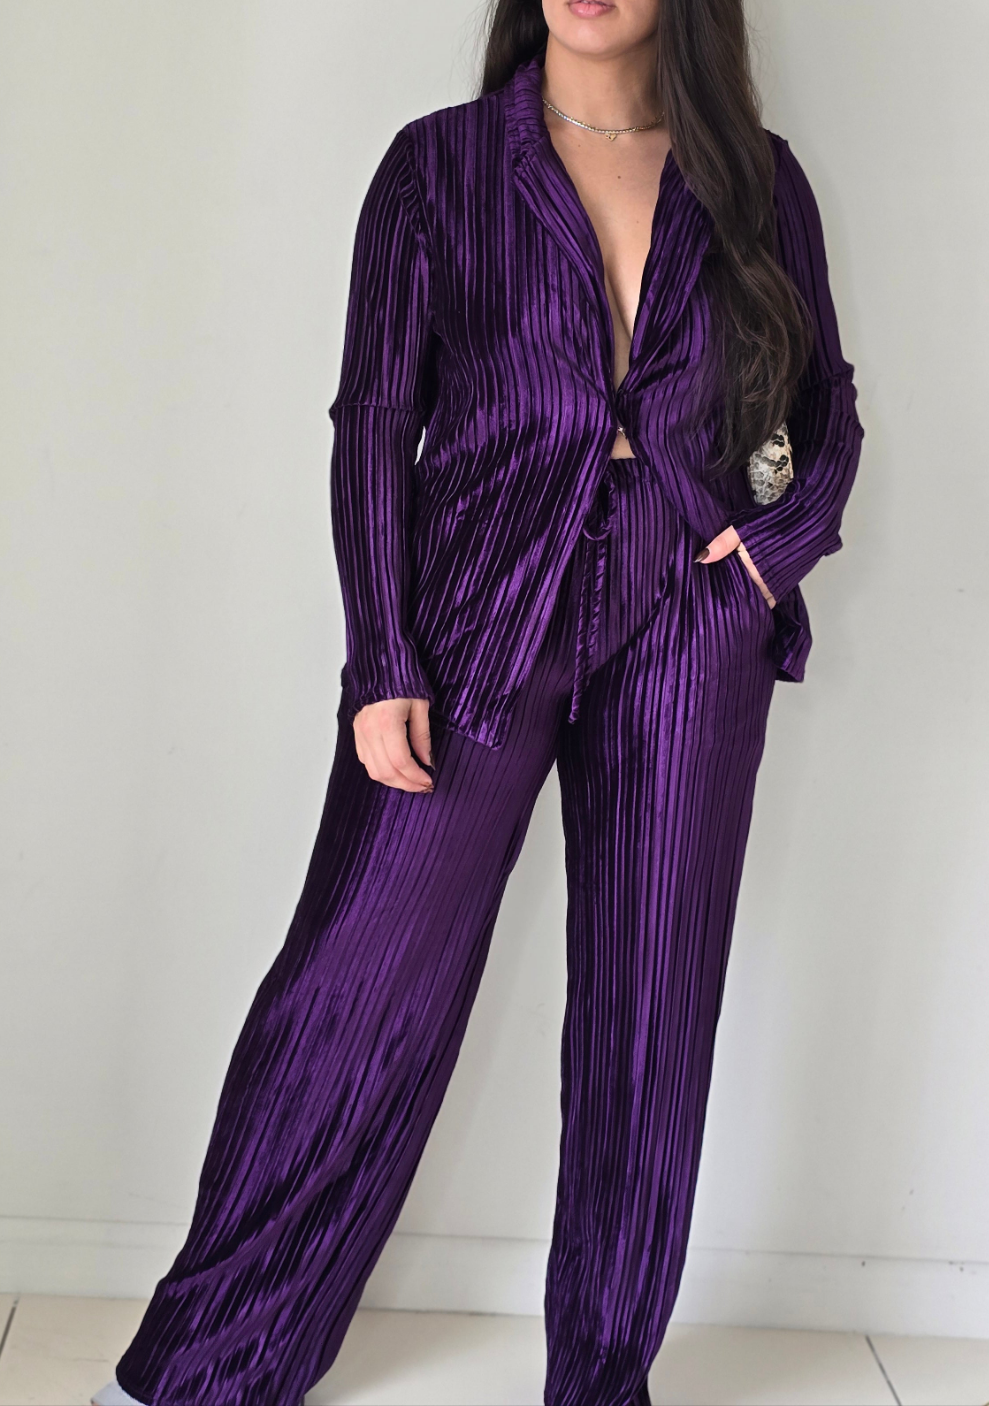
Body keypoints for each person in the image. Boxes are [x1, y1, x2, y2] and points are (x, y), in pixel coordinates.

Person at [94, 0, 863, 1403]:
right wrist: (382, 659)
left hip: (690, 619)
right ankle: (200, 1375)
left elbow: (828, 409)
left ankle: (601, 1381)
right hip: (472, 617)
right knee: (353, 986)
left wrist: (772, 550)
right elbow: (375, 421)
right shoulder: (440, 167)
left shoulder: (757, 179)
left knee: (650, 1011)